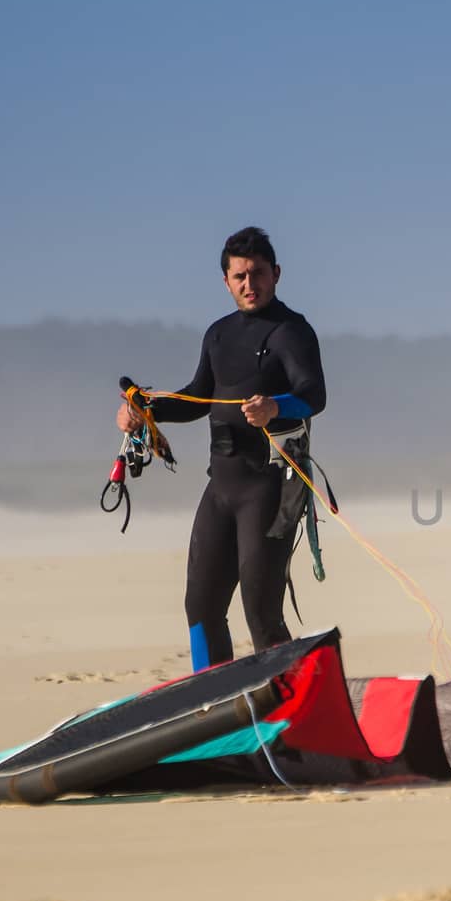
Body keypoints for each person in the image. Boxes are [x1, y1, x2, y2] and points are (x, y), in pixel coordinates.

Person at [115, 226, 327, 669]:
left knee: (261, 611)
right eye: (240, 277)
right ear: (226, 282)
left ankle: (293, 712)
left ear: (276, 274)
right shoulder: (217, 334)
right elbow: (197, 398)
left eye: (258, 274)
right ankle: (214, 708)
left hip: (269, 487)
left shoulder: (292, 331)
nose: (250, 285)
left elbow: (315, 394)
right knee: (202, 607)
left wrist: (275, 406)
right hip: (223, 486)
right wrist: (144, 412)